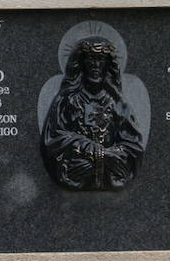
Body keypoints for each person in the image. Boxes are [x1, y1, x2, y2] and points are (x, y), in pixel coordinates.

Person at [40, 39, 145, 191]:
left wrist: (104, 158)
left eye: (100, 60)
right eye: (90, 59)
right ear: (81, 63)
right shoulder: (67, 100)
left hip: (110, 175)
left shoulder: (118, 104)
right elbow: (53, 139)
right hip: (74, 173)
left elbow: (133, 146)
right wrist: (93, 150)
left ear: (108, 64)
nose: (95, 66)